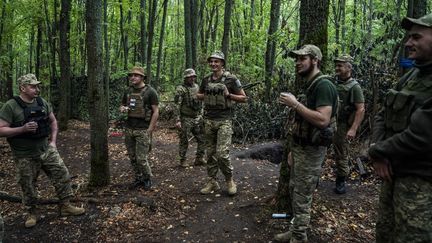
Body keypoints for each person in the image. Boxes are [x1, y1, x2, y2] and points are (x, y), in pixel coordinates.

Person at [368, 13, 432, 243]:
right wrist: (378, 149)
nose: (408, 43)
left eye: (416, 37)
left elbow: (422, 136)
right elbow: (383, 114)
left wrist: (378, 151)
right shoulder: (412, 75)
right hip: (392, 174)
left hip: (422, 185)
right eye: (408, 37)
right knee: (385, 233)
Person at [0, 74, 85, 228]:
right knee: (28, 185)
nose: (37, 89)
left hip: (46, 149)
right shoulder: (11, 106)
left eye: (37, 86)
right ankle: (32, 213)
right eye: (33, 86)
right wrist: (22, 129)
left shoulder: (42, 102)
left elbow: (53, 121)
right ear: (23, 88)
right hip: (25, 155)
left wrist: (53, 141)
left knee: (62, 174)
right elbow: (1, 130)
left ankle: (65, 206)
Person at [275, 45, 338, 242]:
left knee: (302, 195)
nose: (298, 62)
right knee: (295, 189)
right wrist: (293, 150)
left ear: (315, 60)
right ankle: (295, 230)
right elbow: (301, 121)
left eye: (303, 59)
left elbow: (322, 120)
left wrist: (295, 104)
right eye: (297, 59)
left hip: (312, 150)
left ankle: (299, 237)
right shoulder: (310, 84)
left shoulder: (324, 86)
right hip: (301, 147)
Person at [197, 51, 247, 196]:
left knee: (222, 154)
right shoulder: (206, 80)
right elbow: (198, 95)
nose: (213, 64)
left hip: (224, 120)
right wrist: (207, 94)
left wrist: (228, 94)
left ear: (222, 63)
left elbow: (244, 98)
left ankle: (229, 179)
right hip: (208, 120)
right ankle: (212, 181)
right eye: (211, 61)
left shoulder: (231, 79)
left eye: (216, 61)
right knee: (210, 153)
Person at [120, 66, 159, 190]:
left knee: (141, 158)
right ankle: (138, 178)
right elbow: (122, 105)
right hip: (129, 128)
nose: (133, 77)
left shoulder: (150, 92)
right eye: (131, 75)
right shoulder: (128, 91)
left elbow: (156, 111)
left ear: (142, 77)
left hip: (143, 129)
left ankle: (147, 178)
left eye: (136, 75)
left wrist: (150, 129)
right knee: (132, 157)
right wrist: (122, 109)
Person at [332, 54, 365, 194]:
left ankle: (341, 181)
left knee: (341, 153)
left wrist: (353, 129)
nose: (337, 68)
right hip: (328, 122)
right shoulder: (333, 82)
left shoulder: (354, 86)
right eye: (336, 65)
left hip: (342, 125)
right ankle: (314, 179)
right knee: (319, 149)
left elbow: (361, 109)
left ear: (349, 67)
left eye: (340, 65)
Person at [174, 68, 206, 167]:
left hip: (197, 118)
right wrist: (177, 120)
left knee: (202, 139)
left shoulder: (197, 87)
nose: (192, 78)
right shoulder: (181, 89)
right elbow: (177, 105)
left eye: (193, 77)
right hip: (185, 118)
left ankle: (199, 158)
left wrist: (201, 115)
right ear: (185, 78)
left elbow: (201, 101)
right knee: (184, 140)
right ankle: (182, 160)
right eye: (189, 77)